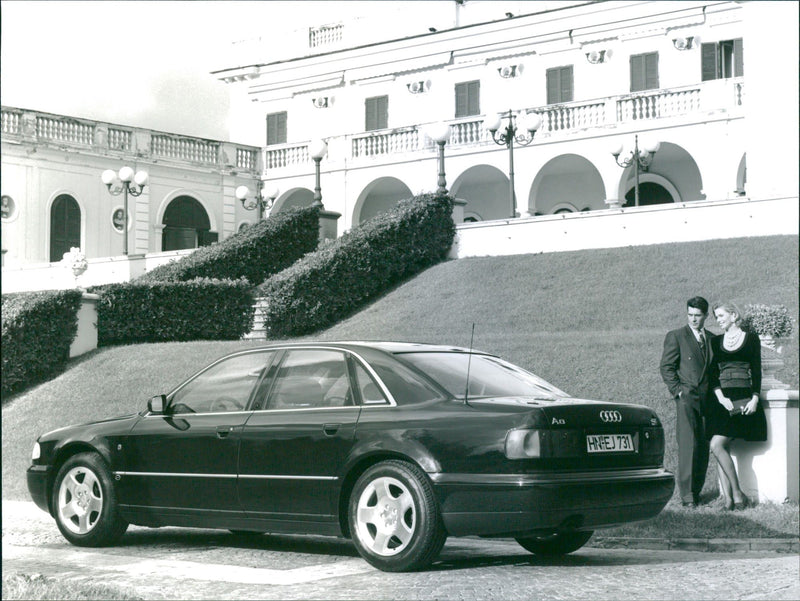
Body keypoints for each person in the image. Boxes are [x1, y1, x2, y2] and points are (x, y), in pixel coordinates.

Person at [705, 301, 767, 510]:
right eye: (716, 317)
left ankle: (738, 495)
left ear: (733, 315)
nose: (718, 320)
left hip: (742, 399)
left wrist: (755, 399)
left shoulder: (750, 339)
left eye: (721, 316)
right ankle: (730, 500)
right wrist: (720, 397)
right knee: (720, 447)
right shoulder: (716, 342)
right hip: (721, 400)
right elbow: (712, 374)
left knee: (716, 444)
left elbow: (757, 371)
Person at [659, 296, 713, 507]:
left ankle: (697, 491)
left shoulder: (711, 338)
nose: (693, 319)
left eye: (698, 316)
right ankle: (687, 496)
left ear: (706, 316)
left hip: (708, 401)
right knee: (689, 445)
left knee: (703, 446)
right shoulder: (676, 336)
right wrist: (678, 391)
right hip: (687, 398)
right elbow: (667, 367)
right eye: (690, 315)